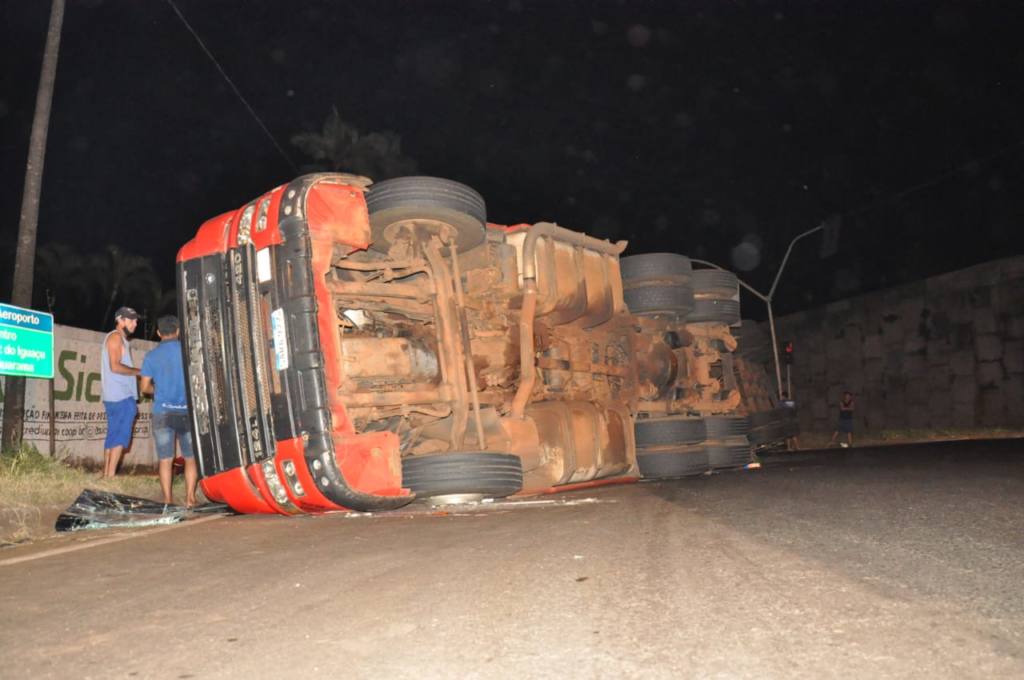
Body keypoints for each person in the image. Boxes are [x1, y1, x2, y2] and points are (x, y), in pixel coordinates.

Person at [140, 315, 197, 508]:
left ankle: (168, 500)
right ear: (179, 331)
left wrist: (160, 390)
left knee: (165, 459)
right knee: (190, 458)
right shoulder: (189, 353)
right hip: (187, 413)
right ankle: (190, 498)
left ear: (158, 333)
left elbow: (145, 388)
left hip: (162, 413)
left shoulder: (151, 356)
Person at [101, 307, 140, 477]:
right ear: (121, 320)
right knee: (119, 437)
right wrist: (139, 371)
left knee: (113, 435)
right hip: (121, 395)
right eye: (131, 320)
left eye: (136, 320)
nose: (135, 323)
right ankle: (110, 476)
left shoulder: (121, 340)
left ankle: (105, 474)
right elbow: (115, 366)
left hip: (114, 395)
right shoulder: (116, 337)